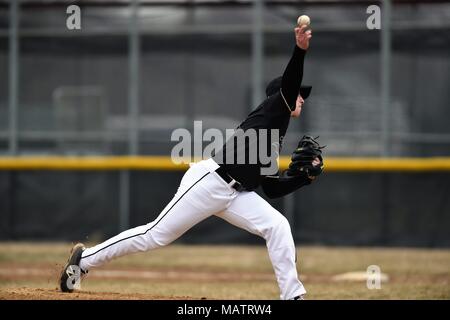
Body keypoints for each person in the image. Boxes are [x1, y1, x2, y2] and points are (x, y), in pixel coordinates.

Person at [60, 25, 322, 300]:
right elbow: (291, 82)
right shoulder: (272, 109)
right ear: (282, 95)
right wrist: (300, 50)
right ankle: (84, 259)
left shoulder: (273, 135)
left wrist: (303, 179)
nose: (302, 98)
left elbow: (271, 189)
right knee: (155, 235)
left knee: (277, 226)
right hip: (210, 182)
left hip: (235, 194)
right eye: (299, 94)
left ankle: (292, 296)